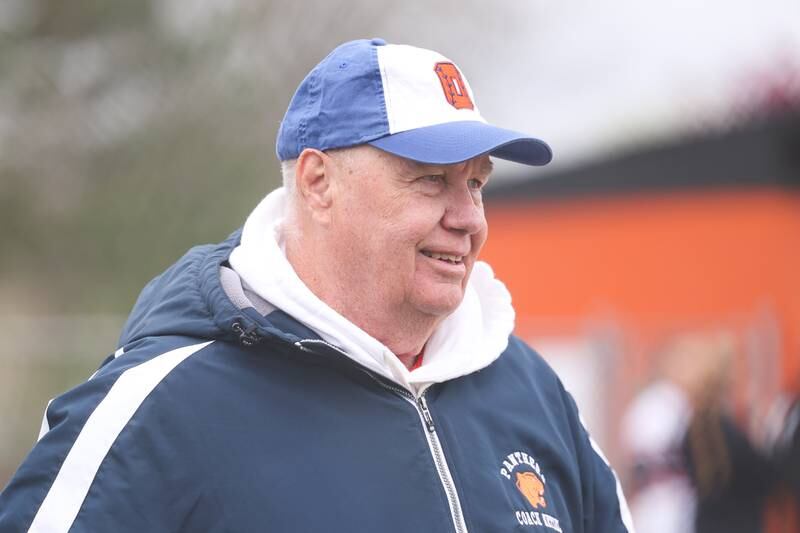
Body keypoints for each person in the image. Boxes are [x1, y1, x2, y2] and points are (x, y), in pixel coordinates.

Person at [0, 38, 633, 533]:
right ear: (318, 183)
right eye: (430, 180)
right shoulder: (162, 407)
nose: (467, 217)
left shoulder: (531, 391)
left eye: (475, 183)